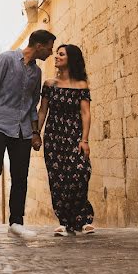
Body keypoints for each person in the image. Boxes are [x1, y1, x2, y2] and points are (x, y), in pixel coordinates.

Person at [0, 29, 56, 238]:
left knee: (20, 176)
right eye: (49, 48)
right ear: (38, 46)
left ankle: (16, 221)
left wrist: (35, 133)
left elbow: (32, 105)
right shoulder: (6, 59)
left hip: (23, 130)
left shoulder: (37, 72)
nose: (51, 53)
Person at [37, 44, 96, 236]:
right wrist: (36, 133)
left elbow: (86, 114)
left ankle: (82, 219)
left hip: (74, 137)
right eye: (57, 53)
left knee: (80, 174)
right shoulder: (49, 85)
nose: (56, 57)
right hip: (54, 138)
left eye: (61, 54)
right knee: (58, 181)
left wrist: (84, 140)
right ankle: (64, 222)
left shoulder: (81, 86)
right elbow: (43, 111)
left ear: (71, 58)